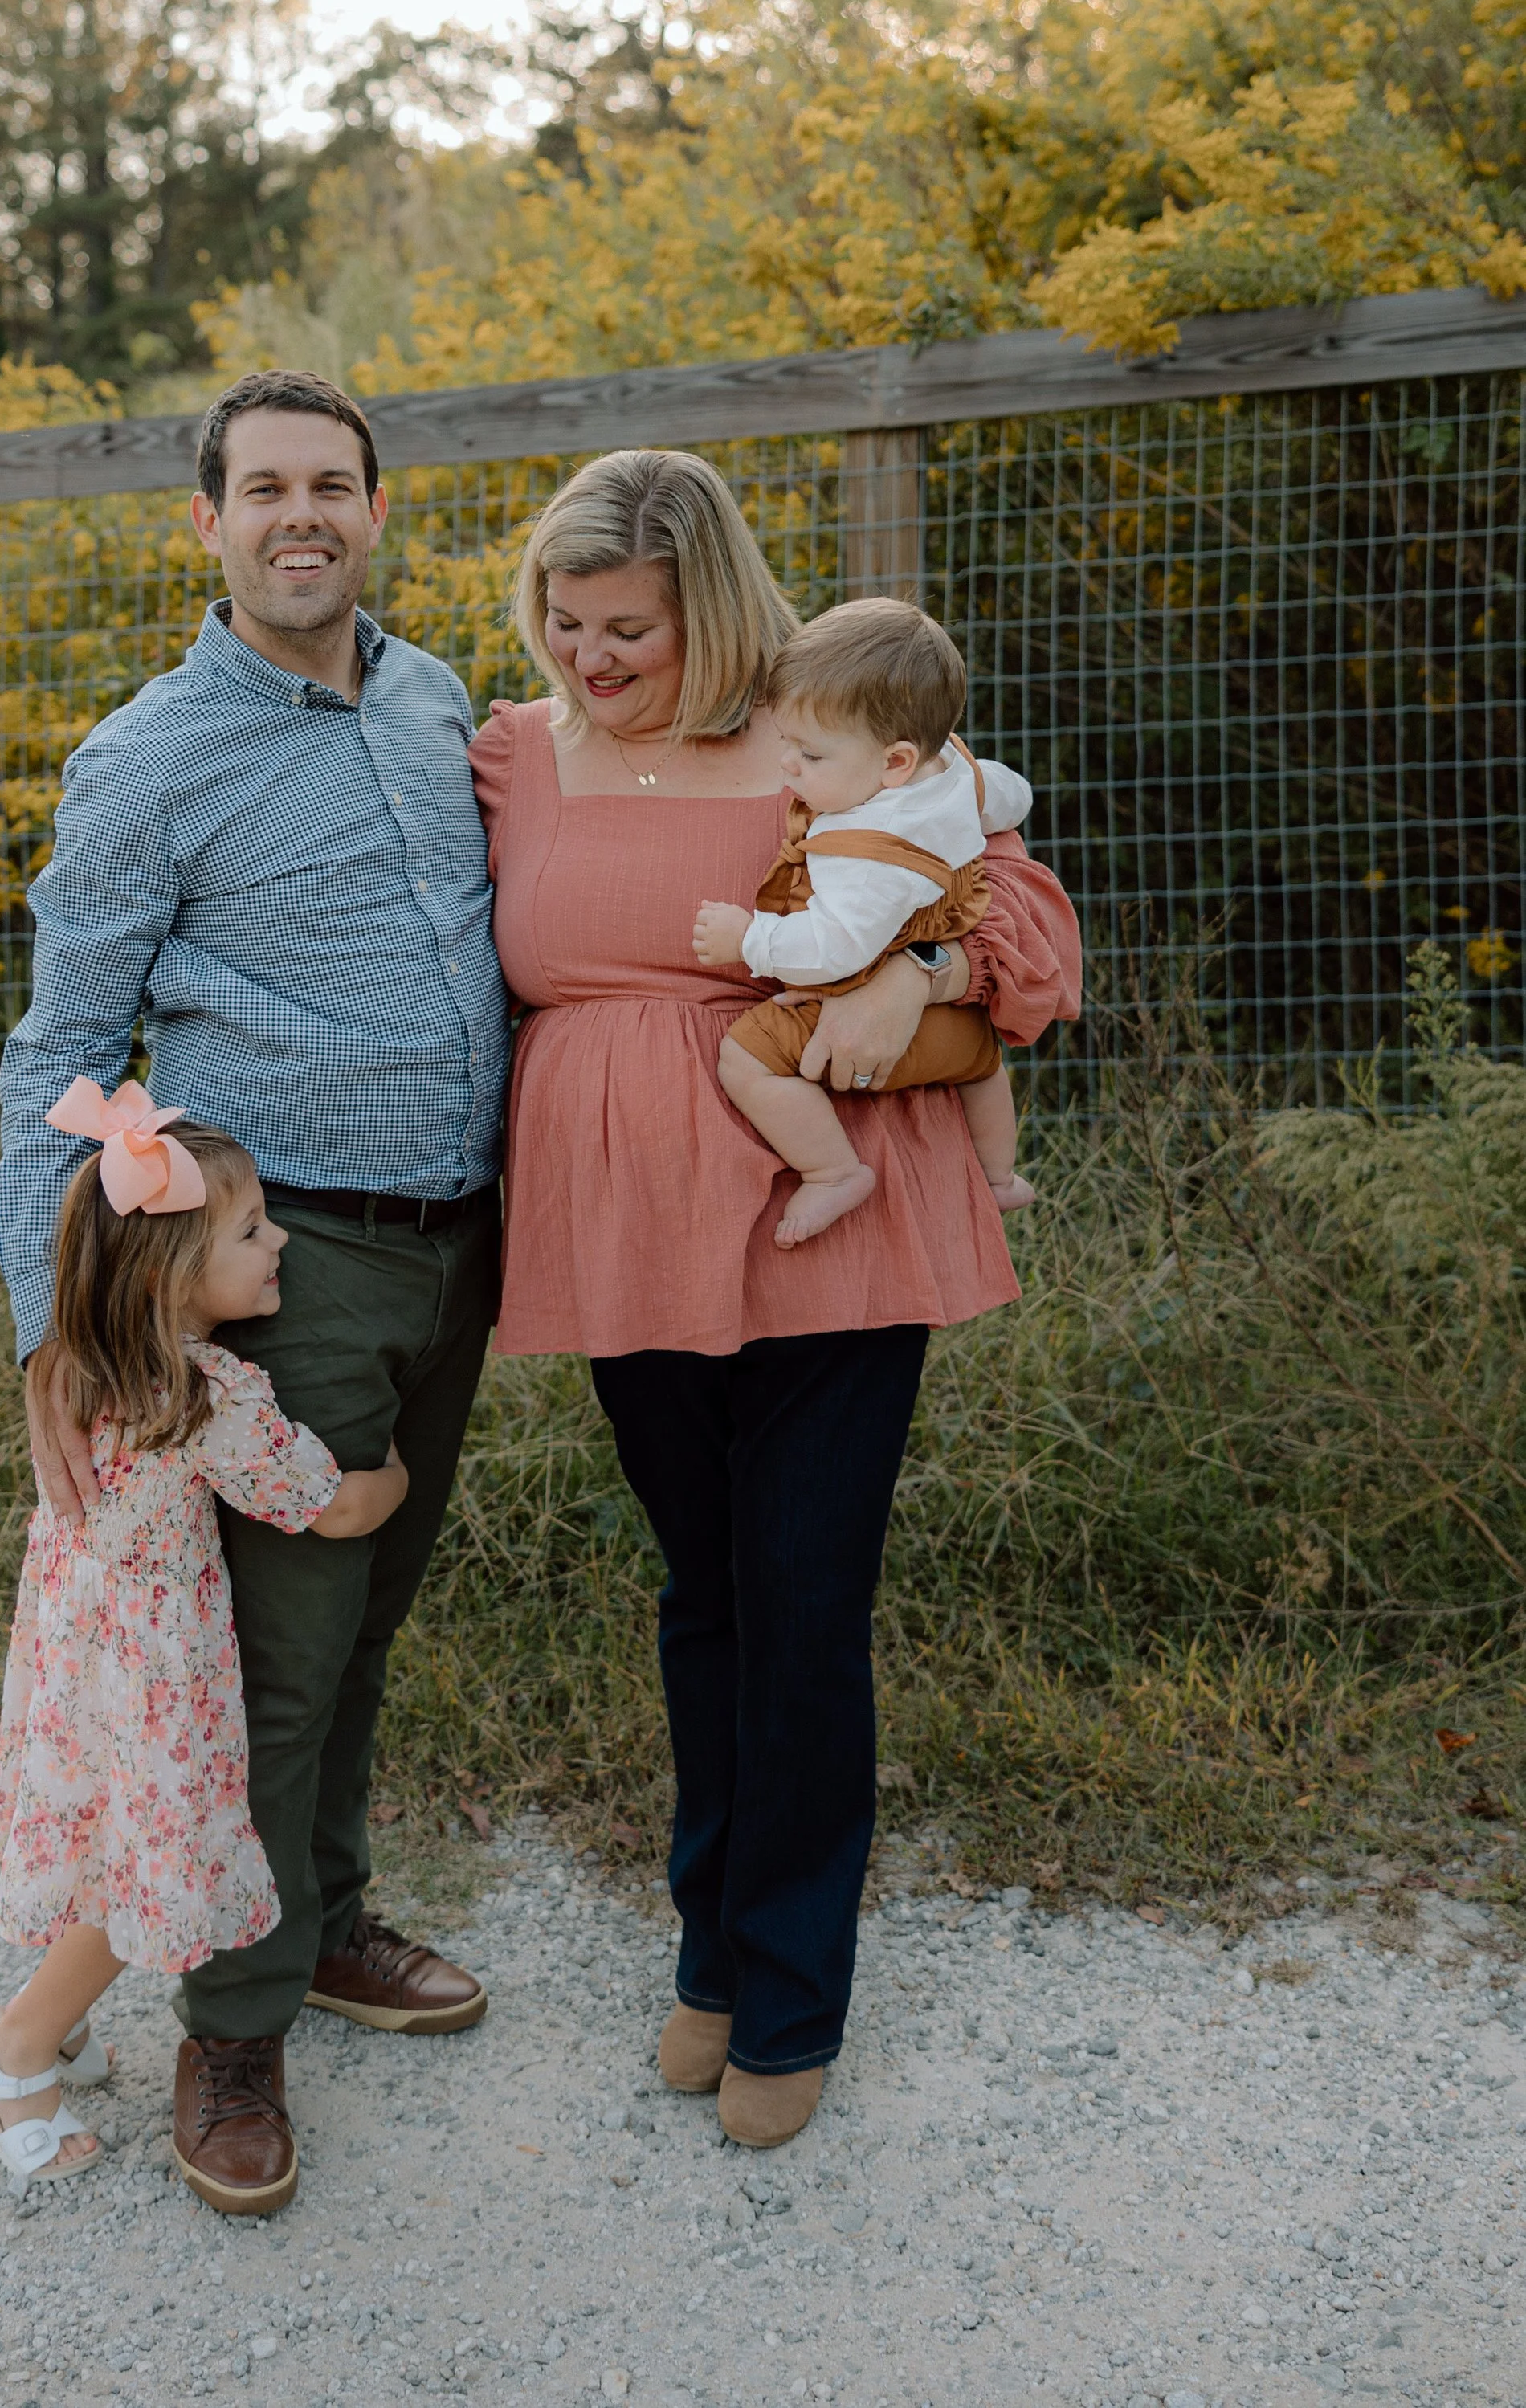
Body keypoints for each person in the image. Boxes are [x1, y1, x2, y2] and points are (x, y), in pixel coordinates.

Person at [468, 448, 1081, 2154]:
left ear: (715, 610)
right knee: (703, 1590)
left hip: (836, 1227)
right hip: (625, 1234)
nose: (591, 660)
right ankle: (713, 1954)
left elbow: (1023, 914)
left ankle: (791, 1990)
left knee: (801, 1596)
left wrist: (926, 965)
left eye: (631, 630)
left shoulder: (825, 730)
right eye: (564, 622)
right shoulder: (513, 759)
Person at [0, 369, 507, 2218]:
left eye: (335, 484)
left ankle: (327, 1913)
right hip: (288, 1264)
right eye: (264, 486)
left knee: (362, 1620)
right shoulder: (148, 757)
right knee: (269, 1675)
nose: (304, 513)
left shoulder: (442, 697)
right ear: (202, 523)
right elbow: (60, 1047)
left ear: (378, 510)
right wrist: (61, 1325)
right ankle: (233, 2026)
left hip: (461, 1237)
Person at [0, 1084, 407, 2205]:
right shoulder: (208, 1397)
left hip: (84, 1654)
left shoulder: (93, 1367)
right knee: (133, 1881)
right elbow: (336, 1507)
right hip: (156, 1671)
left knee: (111, 1845)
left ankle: (51, 2037)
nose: (283, 1242)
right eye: (253, 1230)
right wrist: (396, 1466)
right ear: (173, 1277)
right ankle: (14, 2048)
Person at [692, 595, 1037, 1247]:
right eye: (785, 741)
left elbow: (835, 948)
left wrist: (749, 938)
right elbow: (1012, 794)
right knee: (985, 1068)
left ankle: (831, 1171)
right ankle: (998, 1176)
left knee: (745, 1060)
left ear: (894, 762)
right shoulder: (956, 771)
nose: (789, 765)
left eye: (811, 755)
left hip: (862, 1020)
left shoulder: (864, 851)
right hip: (962, 1029)